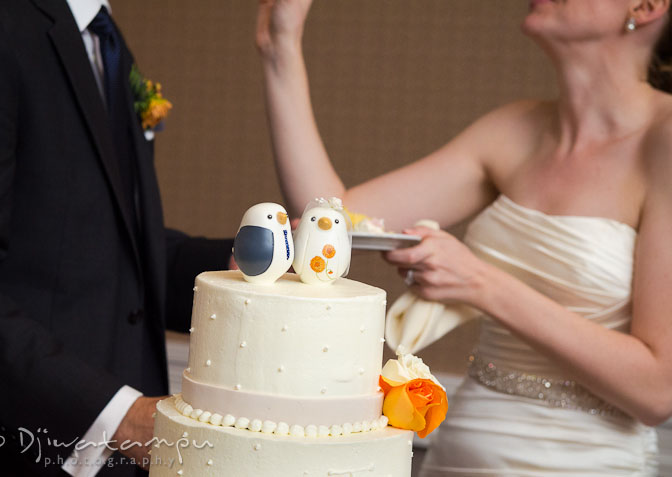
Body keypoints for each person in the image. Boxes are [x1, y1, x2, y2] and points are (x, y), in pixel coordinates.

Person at [256, 0, 672, 474]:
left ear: (647, 5)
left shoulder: (664, 140)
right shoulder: (513, 129)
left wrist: (479, 283)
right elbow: (330, 218)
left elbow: (657, 391)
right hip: (460, 457)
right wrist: (280, 45)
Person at [0, 0, 232, 475]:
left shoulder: (106, 41)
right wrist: (117, 419)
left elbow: (103, 248)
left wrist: (240, 264)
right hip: (15, 450)